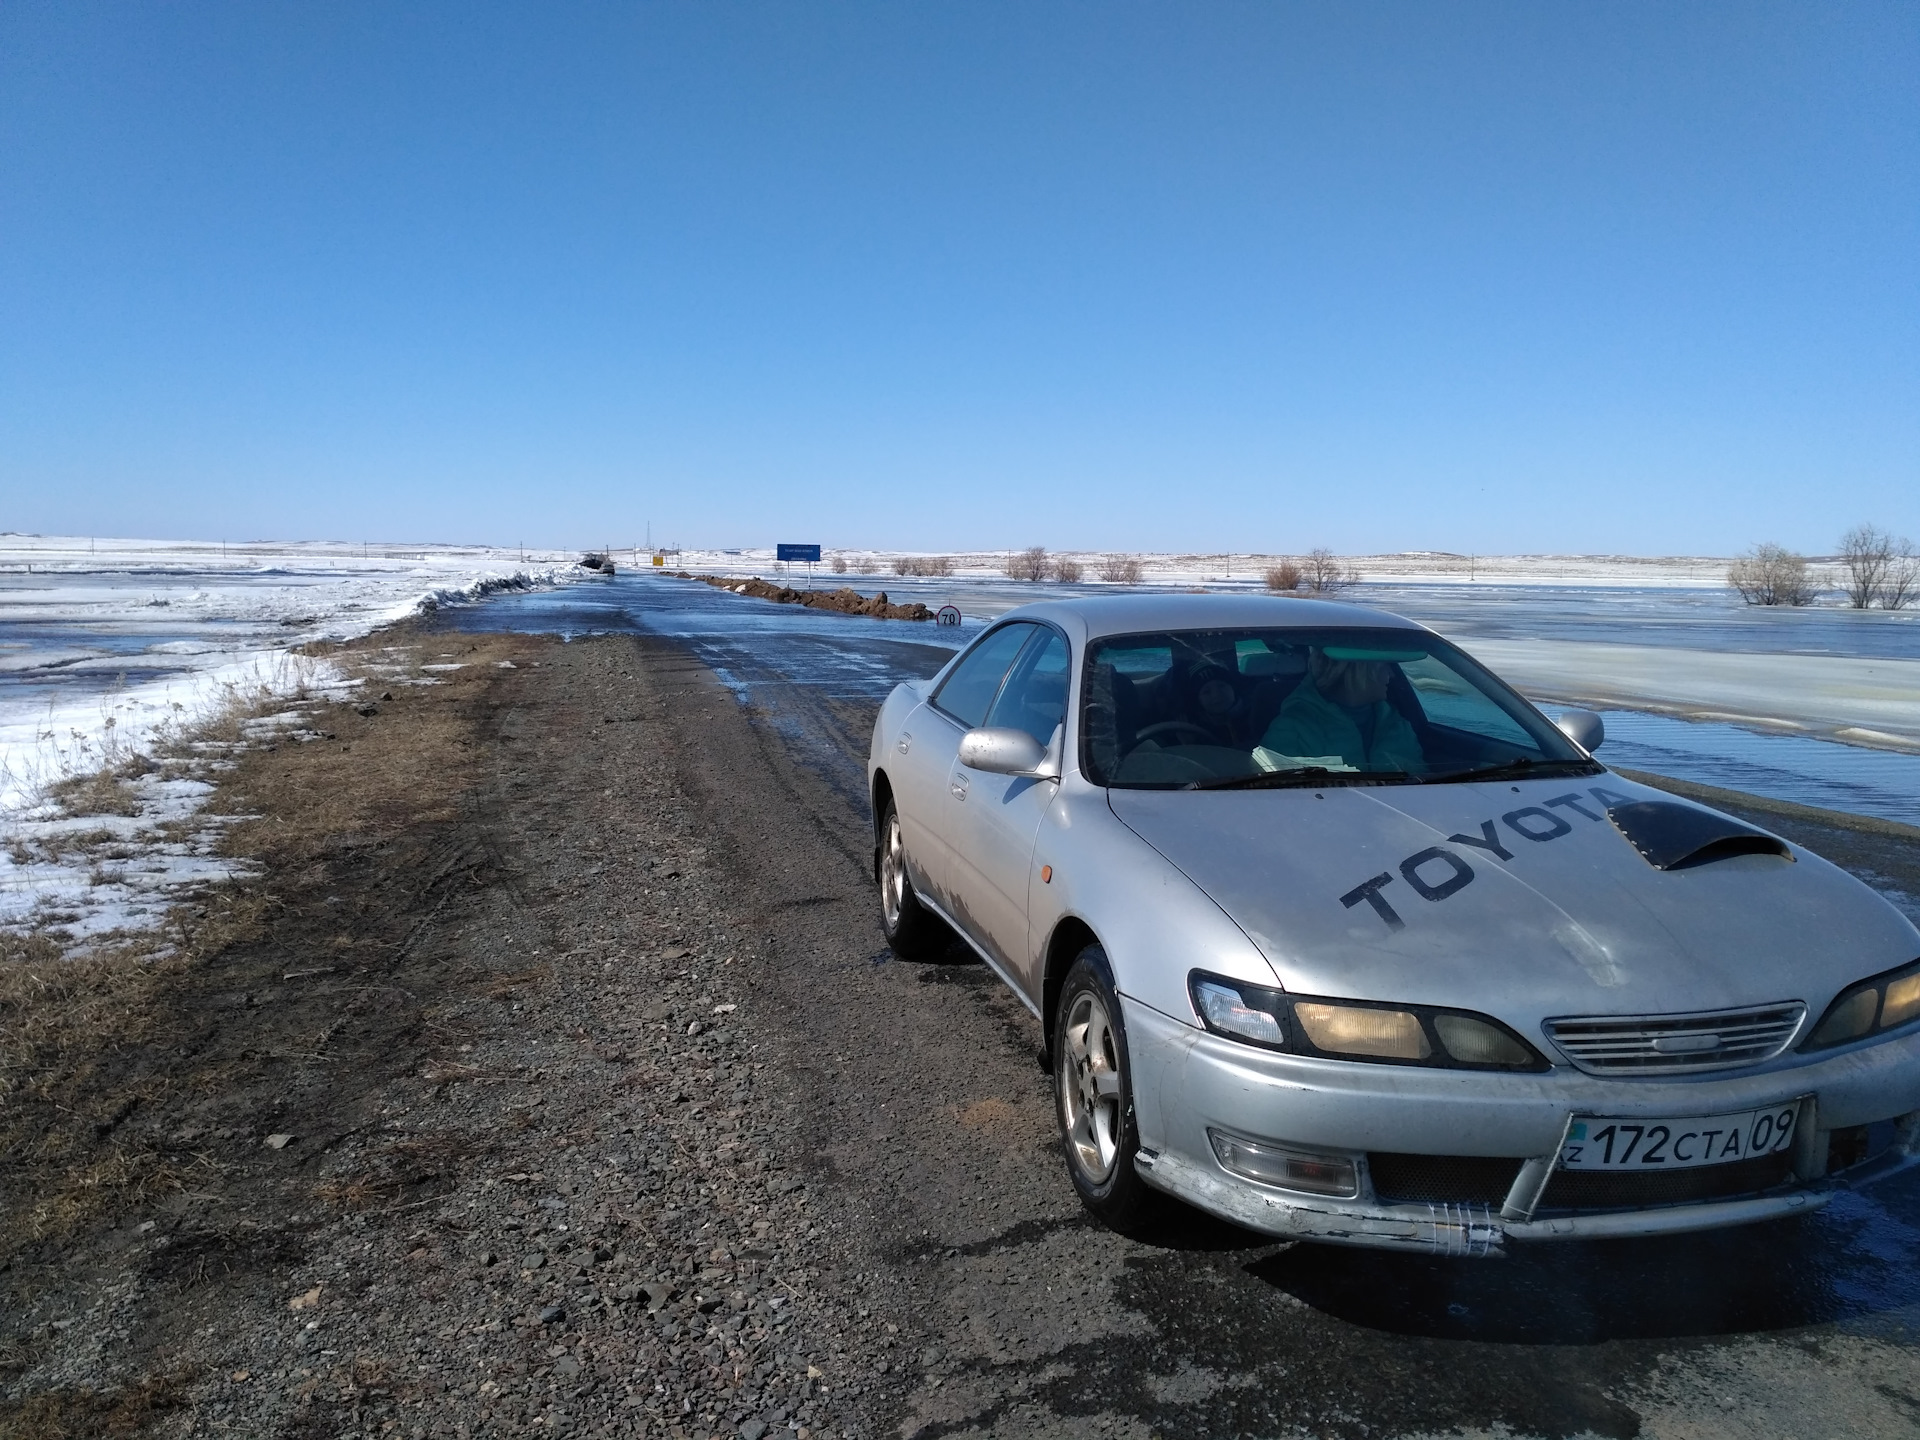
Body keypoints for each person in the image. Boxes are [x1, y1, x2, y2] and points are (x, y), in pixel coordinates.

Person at [1259, 648, 1424, 772]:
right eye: (1384, 666)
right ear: (1358, 671)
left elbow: (1422, 782)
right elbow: (1279, 796)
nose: (1391, 674)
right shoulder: (1293, 728)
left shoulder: (1397, 724)